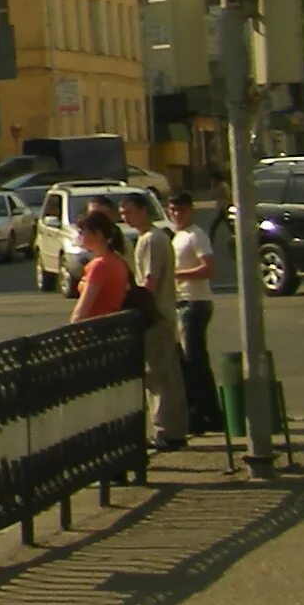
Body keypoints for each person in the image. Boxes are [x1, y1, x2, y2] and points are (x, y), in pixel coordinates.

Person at [119, 191, 186, 448]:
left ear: (143, 211)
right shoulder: (151, 238)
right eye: (123, 213)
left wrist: (138, 309)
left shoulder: (151, 240)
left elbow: (150, 282)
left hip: (155, 317)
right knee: (166, 374)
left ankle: (165, 431)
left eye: (129, 211)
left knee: (158, 377)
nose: (125, 217)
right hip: (163, 314)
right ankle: (173, 429)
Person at [168, 190, 218, 437]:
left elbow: (208, 269)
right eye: (173, 209)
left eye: (181, 210)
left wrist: (177, 275)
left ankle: (206, 414)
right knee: (192, 361)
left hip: (195, 302)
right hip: (182, 301)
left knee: (194, 360)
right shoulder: (177, 236)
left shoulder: (197, 236)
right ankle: (202, 412)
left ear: (190, 210)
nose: (176, 214)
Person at [69, 213, 131, 324]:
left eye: (82, 232)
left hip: (94, 328)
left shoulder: (99, 266)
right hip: (110, 325)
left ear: (98, 234)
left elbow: (83, 309)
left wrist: (73, 328)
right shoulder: (117, 260)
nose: (79, 236)